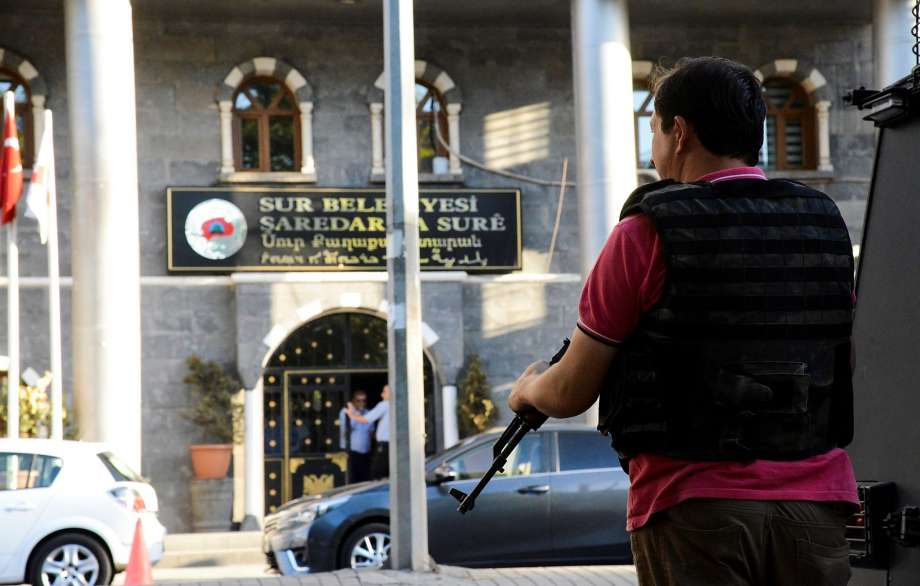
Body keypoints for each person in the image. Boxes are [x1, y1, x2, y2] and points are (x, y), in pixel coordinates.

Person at [508, 57, 857, 586]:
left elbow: (572, 390)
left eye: (651, 127)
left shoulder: (644, 233)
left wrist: (529, 390)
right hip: (818, 505)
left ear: (678, 131)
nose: (652, 142)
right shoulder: (824, 224)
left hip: (694, 508)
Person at [346, 384, 390, 480]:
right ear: (353, 400)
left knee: (376, 474)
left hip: (381, 446)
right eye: (358, 400)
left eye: (384, 392)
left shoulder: (385, 404)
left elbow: (367, 420)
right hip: (352, 452)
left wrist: (352, 415)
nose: (382, 395)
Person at [339, 390, 374, 483]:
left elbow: (371, 432)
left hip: (365, 453)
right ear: (353, 400)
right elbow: (346, 431)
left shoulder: (368, 412)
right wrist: (354, 416)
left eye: (364, 400)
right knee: (351, 480)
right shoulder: (345, 412)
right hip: (350, 453)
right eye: (358, 400)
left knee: (364, 480)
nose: (361, 403)